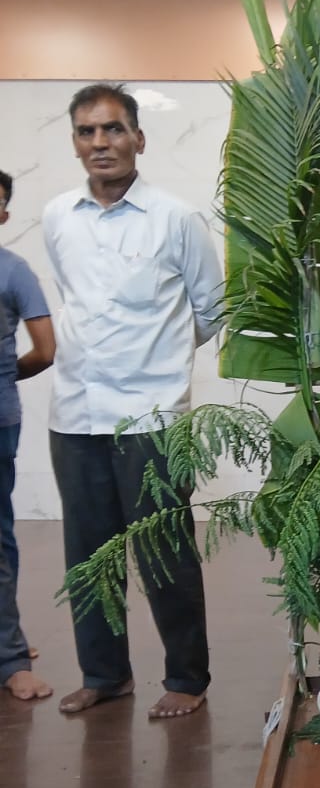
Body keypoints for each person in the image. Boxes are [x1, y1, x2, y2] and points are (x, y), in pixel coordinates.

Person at [42, 84, 224, 719]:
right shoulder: (58, 217)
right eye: (87, 132)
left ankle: (187, 678)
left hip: (151, 417)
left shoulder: (176, 219)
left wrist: (159, 357)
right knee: (88, 556)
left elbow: (211, 309)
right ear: (75, 143)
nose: (101, 143)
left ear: (138, 139)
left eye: (113, 129)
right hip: (74, 413)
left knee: (164, 553)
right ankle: (105, 673)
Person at [0, 170, 56, 702]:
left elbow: (45, 350)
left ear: (4, 215)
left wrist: (3, 376)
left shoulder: (14, 272)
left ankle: (10, 659)